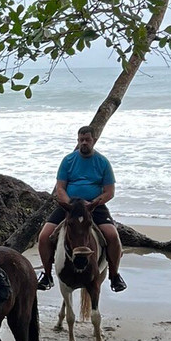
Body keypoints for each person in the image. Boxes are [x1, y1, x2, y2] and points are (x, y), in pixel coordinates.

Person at [37, 125, 126, 293]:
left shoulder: (102, 162)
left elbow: (109, 191)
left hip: (94, 206)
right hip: (71, 206)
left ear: (94, 141)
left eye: (87, 140)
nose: (84, 143)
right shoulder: (68, 160)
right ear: (78, 141)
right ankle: (47, 275)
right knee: (43, 236)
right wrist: (70, 204)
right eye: (81, 140)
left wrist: (92, 204)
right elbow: (60, 187)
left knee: (113, 236)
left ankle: (114, 275)